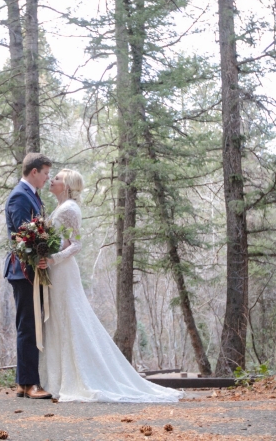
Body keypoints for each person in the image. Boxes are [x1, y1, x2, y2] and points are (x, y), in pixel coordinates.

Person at [38, 169, 183, 402]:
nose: (52, 180)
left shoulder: (70, 209)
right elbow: (61, 240)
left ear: (67, 185)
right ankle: (56, 378)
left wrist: (53, 258)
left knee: (70, 318)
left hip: (63, 271)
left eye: (57, 178)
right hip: (54, 270)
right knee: (58, 320)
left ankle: (80, 377)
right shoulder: (60, 208)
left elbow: (76, 245)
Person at [3, 153, 53, 399]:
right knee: (28, 327)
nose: (47, 178)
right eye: (45, 173)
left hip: (31, 271)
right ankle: (30, 383)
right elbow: (24, 237)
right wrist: (39, 254)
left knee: (30, 326)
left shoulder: (32, 195)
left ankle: (24, 383)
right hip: (23, 272)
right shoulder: (20, 197)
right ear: (34, 172)